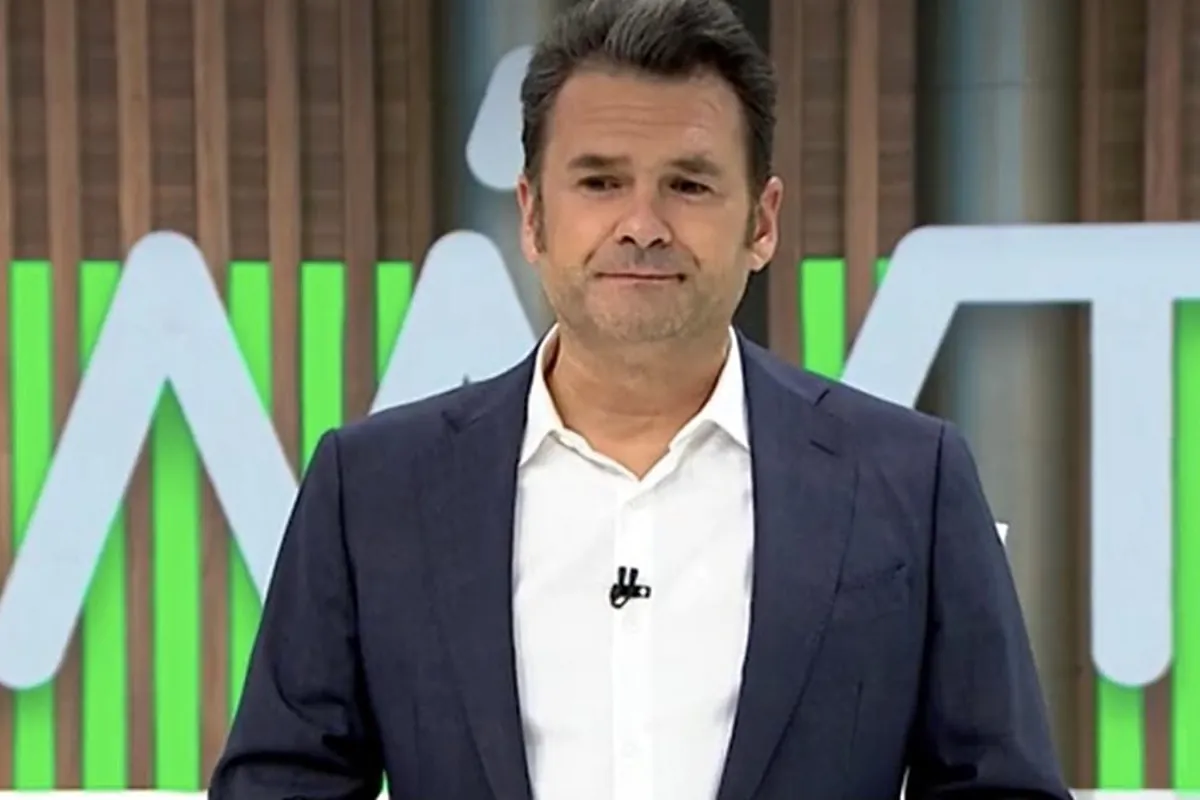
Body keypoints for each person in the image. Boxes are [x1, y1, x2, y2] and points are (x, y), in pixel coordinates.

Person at [209, 0, 1072, 797]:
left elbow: (1000, 788)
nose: (643, 225)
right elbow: (281, 787)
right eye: (599, 182)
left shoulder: (910, 480)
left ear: (762, 221)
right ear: (532, 216)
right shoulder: (373, 489)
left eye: (689, 185)